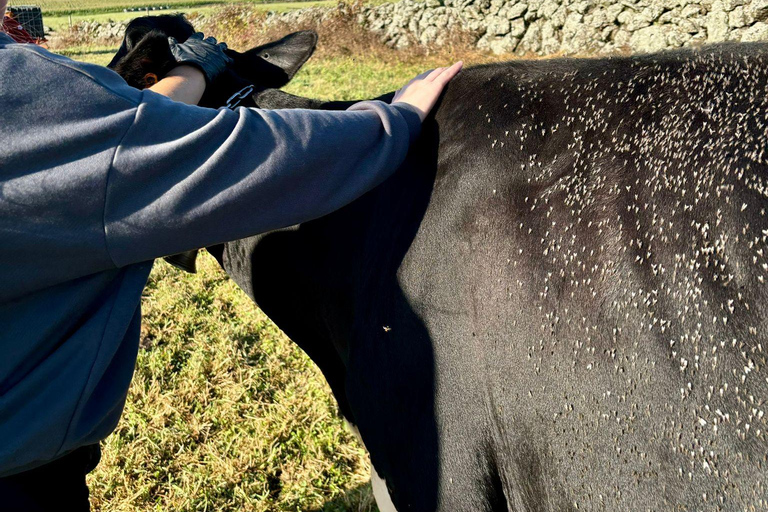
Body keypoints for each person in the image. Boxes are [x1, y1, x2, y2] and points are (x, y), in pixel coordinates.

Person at [0, 0, 462, 508]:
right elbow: (241, 157)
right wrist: (391, 121)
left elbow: (123, 134)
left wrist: (195, 70)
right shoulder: (30, 90)